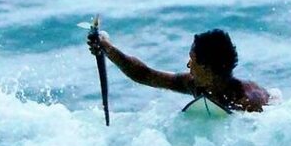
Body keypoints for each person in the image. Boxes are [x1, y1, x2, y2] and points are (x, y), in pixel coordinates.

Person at [88, 27, 270, 112]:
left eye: (193, 60)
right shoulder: (195, 85)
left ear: (207, 69)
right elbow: (145, 74)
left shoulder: (248, 100)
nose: (189, 65)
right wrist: (108, 49)